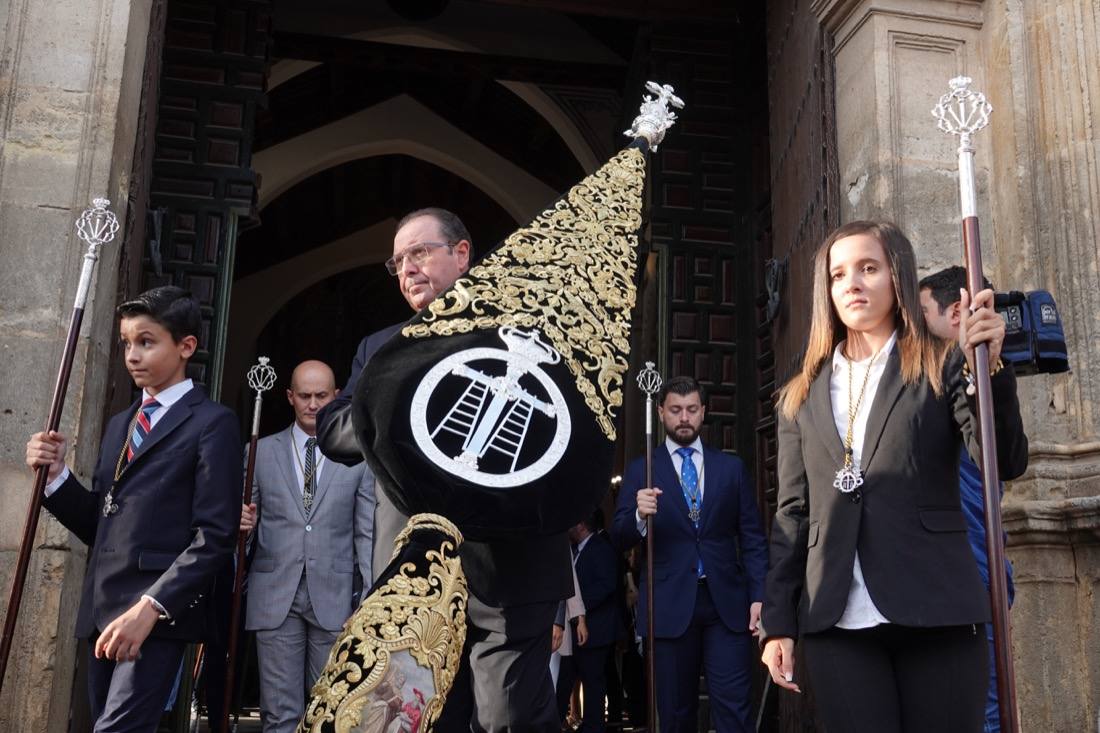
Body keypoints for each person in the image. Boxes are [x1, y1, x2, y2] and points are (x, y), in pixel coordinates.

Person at [760, 221, 1029, 732]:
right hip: (837, 618)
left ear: (897, 276)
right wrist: (777, 622)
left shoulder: (942, 364)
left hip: (938, 608)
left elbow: (1003, 460)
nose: (853, 284)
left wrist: (990, 370)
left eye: (869, 268)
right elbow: (793, 514)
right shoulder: (800, 395)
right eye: (839, 274)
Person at [315, 207, 574, 730]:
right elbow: (336, 431)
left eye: (419, 252)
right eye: (397, 261)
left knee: (508, 720)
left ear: (461, 254)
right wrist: (414, 400)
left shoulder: (525, 337)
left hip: (510, 572)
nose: (407, 268)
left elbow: (565, 443)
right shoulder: (381, 349)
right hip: (415, 574)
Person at [25, 286, 241, 732]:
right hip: (102, 610)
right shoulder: (120, 424)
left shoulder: (212, 423)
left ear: (185, 346)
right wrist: (56, 478)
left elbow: (215, 536)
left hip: (156, 616)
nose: (132, 355)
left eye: (146, 341)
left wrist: (152, 607)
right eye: (126, 343)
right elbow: (101, 523)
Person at [611, 375, 768, 732]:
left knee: (734, 709)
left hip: (726, 605)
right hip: (667, 606)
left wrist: (759, 594)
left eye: (692, 409)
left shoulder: (730, 468)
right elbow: (617, 539)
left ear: (704, 412)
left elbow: (753, 538)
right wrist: (638, 517)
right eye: (676, 410)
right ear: (660, 412)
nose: (684, 418)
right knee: (675, 714)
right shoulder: (642, 470)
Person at [238, 360, 375, 732]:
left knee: (329, 712)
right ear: (289, 397)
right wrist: (243, 526)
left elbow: (365, 533)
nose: (313, 404)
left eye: (321, 396)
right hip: (275, 597)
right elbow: (243, 529)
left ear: (336, 396)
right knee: (279, 715)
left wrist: (367, 600)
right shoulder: (261, 451)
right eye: (304, 396)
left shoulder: (357, 456)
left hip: (335, 599)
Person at [920, 265, 1016, 732]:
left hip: (972, 572)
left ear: (956, 311)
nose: (913, 326)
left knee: (984, 712)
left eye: (922, 313)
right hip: (941, 580)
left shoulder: (971, 383)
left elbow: (1005, 459)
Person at [556, 512, 619, 732]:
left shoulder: (601, 548)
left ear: (581, 524)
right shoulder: (574, 549)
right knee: (567, 678)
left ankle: (594, 727)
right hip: (575, 630)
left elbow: (607, 585)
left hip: (596, 628)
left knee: (593, 682)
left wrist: (579, 607)